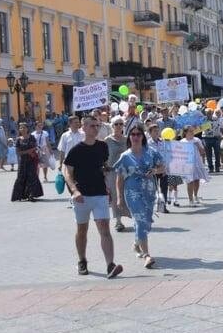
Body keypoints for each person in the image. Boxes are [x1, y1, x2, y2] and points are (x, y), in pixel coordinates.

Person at [62, 116, 123, 279]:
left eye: (97, 126)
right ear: (84, 128)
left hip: (100, 194)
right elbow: (67, 172)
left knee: (104, 228)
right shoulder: (76, 149)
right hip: (82, 196)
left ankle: (110, 265)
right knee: (82, 230)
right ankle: (82, 261)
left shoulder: (102, 147)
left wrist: (107, 169)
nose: (95, 129)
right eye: (92, 126)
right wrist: (74, 191)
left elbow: (101, 165)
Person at [115, 125, 164, 269]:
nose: (135, 137)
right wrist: (119, 197)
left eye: (138, 134)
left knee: (147, 222)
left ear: (142, 137)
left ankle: (137, 244)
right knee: (141, 220)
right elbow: (119, 178)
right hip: (132, 192)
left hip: (149, 191)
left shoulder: (151, 152)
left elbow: (163, 167)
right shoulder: (125, 156)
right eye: (133, 134)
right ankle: (147, 255)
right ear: (129, 137)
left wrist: (155, 170)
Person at [104, 117, 131, 231]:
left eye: (121, 124)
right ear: (112, 126)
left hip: (126, 171)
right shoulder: (107, 140)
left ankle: (132, 215)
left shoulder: (127, 139)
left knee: (127, 194)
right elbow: (103, 156)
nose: (119, 126)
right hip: (112, 171)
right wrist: (104, 169)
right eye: (116, 124)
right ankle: (118, 221)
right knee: (115, 196)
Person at [11, 123, 43, 202]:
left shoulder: (31, 137)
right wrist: (27, 151)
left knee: (32, 177)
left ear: (27, 129)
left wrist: (31, 151)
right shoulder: (18, 139)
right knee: (21, 177)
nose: (23, 129)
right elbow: (18, 153)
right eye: (21, 128)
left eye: (24, 127)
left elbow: (35, 147)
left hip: (31, 160)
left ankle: (31, 195)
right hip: (22, 161)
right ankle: (19, 195)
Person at [181, 126, 210, 207]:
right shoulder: (182, 142)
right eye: (190, 131)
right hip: (187, 165)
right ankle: (190, 200)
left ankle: (195, 195)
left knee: (196, 180)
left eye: (193, 131)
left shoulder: (197, 140)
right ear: (185, 132)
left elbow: (202, 152)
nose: (192, 133)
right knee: (189, 181)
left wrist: (198, 146)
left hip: (197, 163)